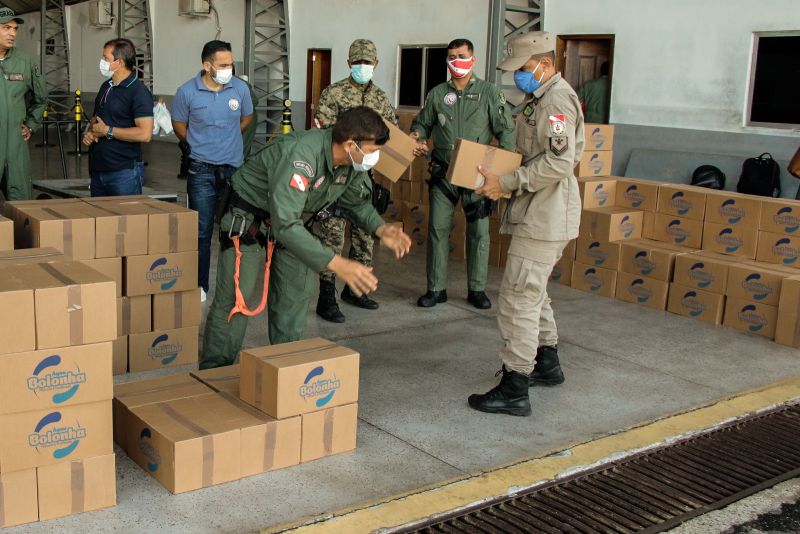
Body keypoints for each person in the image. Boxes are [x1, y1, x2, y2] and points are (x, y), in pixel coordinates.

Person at [200, 107, 411, 369]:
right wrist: (337, 263)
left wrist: (381, 228)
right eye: (372, 150)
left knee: (295, 295)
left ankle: (284, 375)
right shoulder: (302, 155)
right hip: (249, 220)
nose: (375, 157)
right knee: (235, 300)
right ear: (349, 145)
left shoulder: (350, 163)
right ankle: (212, 378)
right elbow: (285, 224)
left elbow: (356, 203)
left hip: (289, 224)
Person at [468, 31, 584, 417]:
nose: (519, 76)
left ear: (545, 64)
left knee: (518, 299)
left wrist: (507, 182)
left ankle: (515, 385)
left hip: (545, 214)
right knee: (534, 292)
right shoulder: (538, 98)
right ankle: (546, 363)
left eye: (523, 69)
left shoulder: (556, 100)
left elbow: (558, 162)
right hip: (535, 210)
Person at [410, 38, 515, 310]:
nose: (455, 61)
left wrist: (501, 170)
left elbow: (506, 131)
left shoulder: (489, 93)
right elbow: (423, 122)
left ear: (473, 59)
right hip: (443, 173)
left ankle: (477, 289)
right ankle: (436, 288)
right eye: (451, 57)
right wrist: (417, 136)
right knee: (437, 230)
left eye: (460, 56)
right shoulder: (436, 94)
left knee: (479, 232)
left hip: (477, 176)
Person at [313, 38, 398, 323]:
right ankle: (327, 297)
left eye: (368, 62)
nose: (363, 67)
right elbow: (324, 133)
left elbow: (391, 136)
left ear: (376, 64)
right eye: (358, 62)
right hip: (336, 175)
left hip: (366, 177)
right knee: (332, 235)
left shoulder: (381, 98)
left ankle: (356, 290)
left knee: (365, 235)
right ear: (349, 64)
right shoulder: (333, 94)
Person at [172, 40, 254, 301]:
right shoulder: (187, 92)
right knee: (202, 230)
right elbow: (179, 125)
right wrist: (199, 144)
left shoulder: (240, 89)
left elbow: (246, 118)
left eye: (231, 64)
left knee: (234, 229)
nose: (229, 68)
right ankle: (200, 285)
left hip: (233, 171)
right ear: (207, 66)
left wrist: (228, 139)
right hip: (201, 171)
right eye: (223, 65)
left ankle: (233, 285)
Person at [82, 38, 154, 196]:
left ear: (119, 62)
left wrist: (108, 131)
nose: (101, 61)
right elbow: (96, 119)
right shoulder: (106, 86)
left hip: (123, 173)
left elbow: (145, 134)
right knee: (99, 220)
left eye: (105, 58)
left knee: (125, 220)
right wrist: (90, 133)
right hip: (98, 170)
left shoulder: (138, 92)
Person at [0, 7, 47, 201]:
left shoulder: (25, 61)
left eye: (14, 28)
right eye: (5, 28)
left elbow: (41, 98)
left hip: (15, 146)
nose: (12, 33)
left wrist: (30, 124)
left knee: (21, 202)